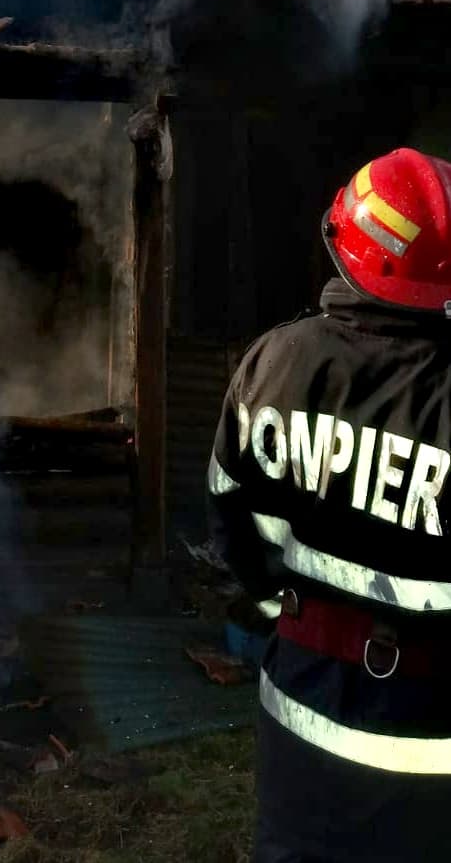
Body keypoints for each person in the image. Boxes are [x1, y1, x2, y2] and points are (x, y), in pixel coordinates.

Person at [207, 148, 451, 862]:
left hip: (301, 714)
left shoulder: (271, 363)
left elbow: (232, 525)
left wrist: (282, 612)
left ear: (343, 243)